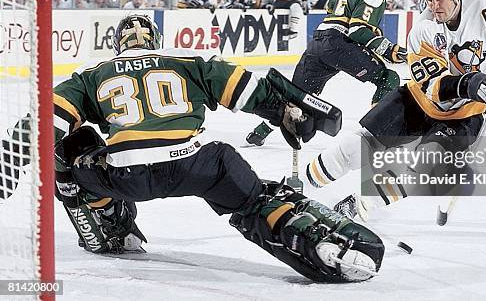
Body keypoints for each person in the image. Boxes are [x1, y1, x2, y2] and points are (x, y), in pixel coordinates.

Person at [32, 14, 384, 282]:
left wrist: (12, 155)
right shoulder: (185, 59)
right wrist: (283, 112)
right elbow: (245, 88)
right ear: (155, 38)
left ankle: (107, 224)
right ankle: (304, 233)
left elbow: (48, 123)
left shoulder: (92, 74)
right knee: (254, 200)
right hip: (196, 165)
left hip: (128, 175)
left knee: (72, 149)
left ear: (118, 44)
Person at [309, 0, 486, 220]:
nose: (434, 7)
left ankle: (358, 207)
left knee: (426, 163)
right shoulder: (423, 29)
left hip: (466, 114)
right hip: (418, 100)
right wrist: (476, 84)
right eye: (428, 0)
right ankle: (305, 185)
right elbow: (435, 87)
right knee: (356, 147)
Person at [246, 0, 404, 146]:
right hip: (339, 45)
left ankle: (259, 132)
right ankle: (376, 137)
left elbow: (333, 8)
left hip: (318, 42)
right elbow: (358, 31)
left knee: (296, 96)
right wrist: (392, 50)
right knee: (389, 79)